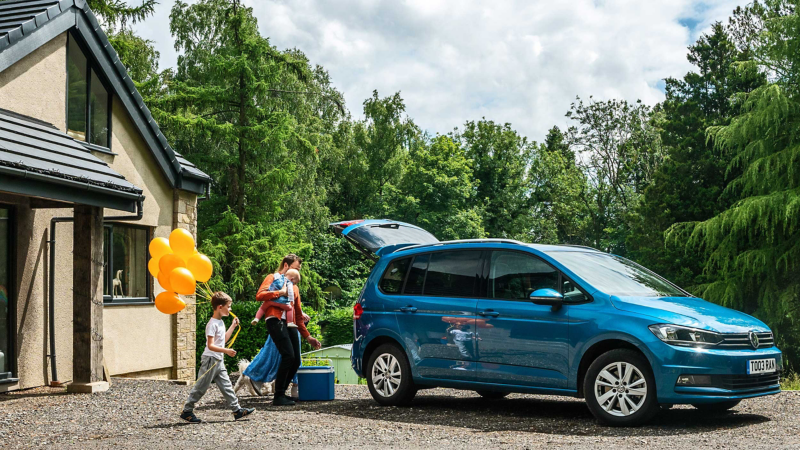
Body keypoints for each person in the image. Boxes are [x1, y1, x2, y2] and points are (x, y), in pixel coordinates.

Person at [256, 254, 321, 406]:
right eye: (295, 268)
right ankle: (278, 396)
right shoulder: (272, 277)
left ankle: (281, 393)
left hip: (290, 323)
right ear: (286, 265)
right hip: (275, 320)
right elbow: (260, 295)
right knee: (288, 355)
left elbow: (298, 315)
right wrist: (280, 293)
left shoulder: (295, 288)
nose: (297, 272)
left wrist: (308, 337)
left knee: (296, 359)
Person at [180, 292, 255, 423]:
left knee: (226, 386)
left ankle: (237, 410)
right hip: (210, 360)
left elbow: (223, 340)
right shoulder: (212, 324)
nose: (230, 309)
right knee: (201, 387)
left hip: (218, 360)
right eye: (229, 306)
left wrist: (232, 326)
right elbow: (210, 345)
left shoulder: (220, 322)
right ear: (220, 307)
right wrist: (226, 351)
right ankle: (187, 411)